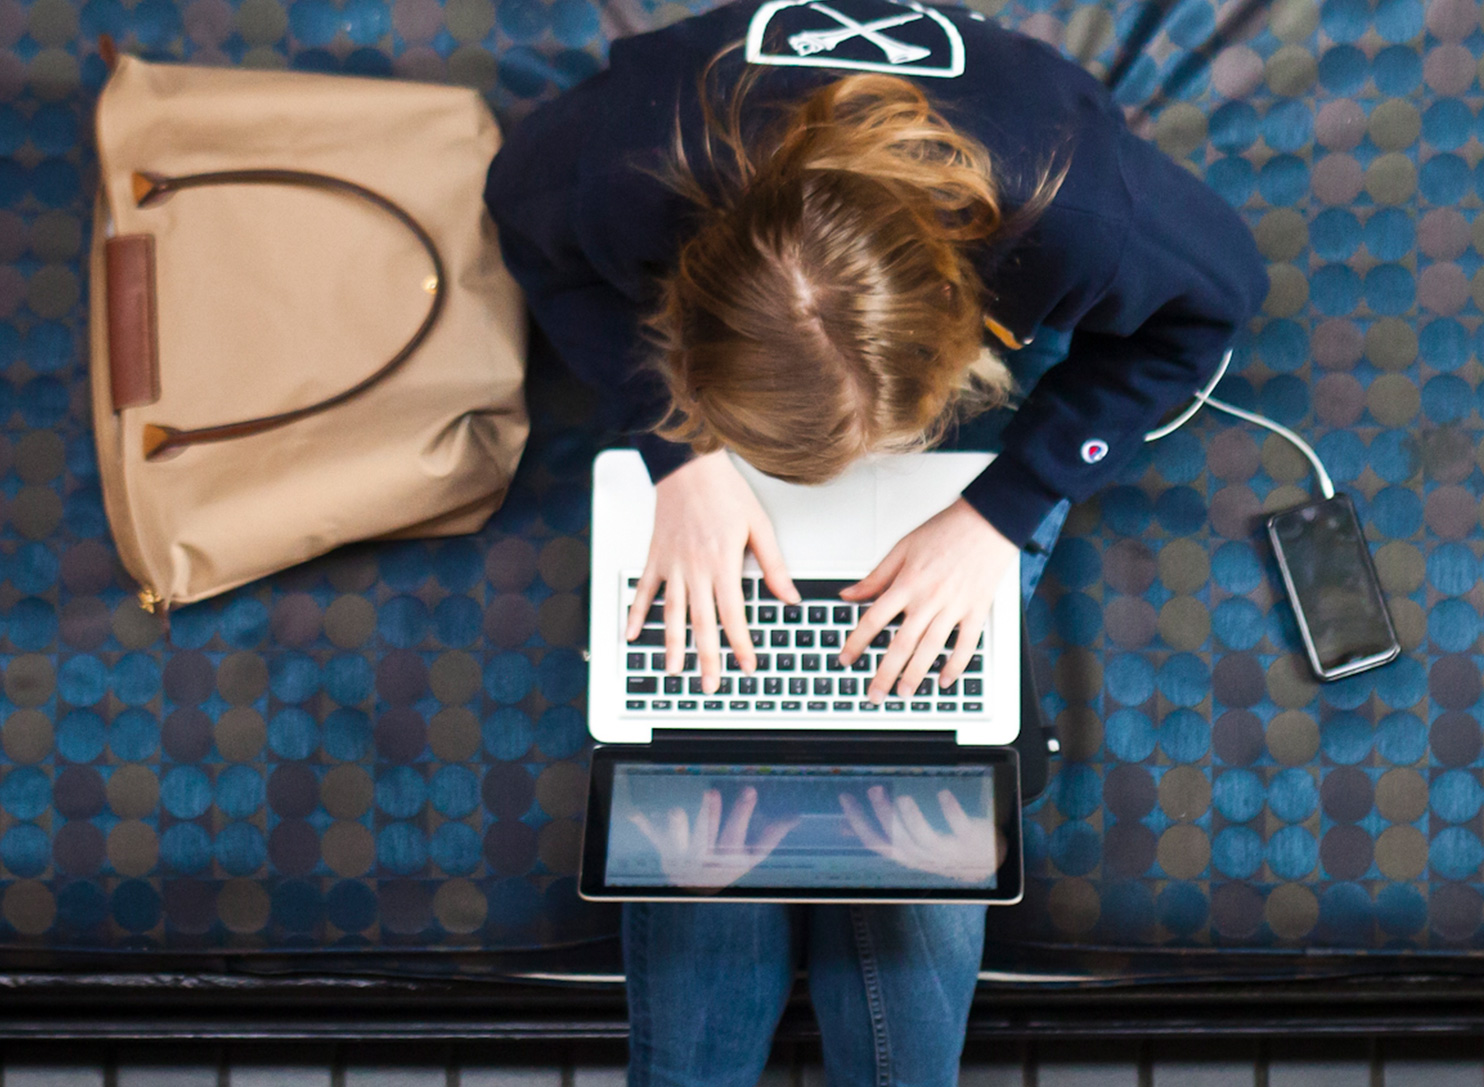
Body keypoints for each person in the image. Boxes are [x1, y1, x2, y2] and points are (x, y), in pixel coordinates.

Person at [486, 1, 1267, 1082]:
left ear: (970, 333)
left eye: (870, 447)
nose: (837, 491)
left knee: (919, 772)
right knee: (698, 749)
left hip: (950, 390)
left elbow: (1218, 301)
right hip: (717, 414)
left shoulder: (1071, 211)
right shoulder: (625, 173)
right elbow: (521, 225)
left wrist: (1001, 507)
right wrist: (686, 460)